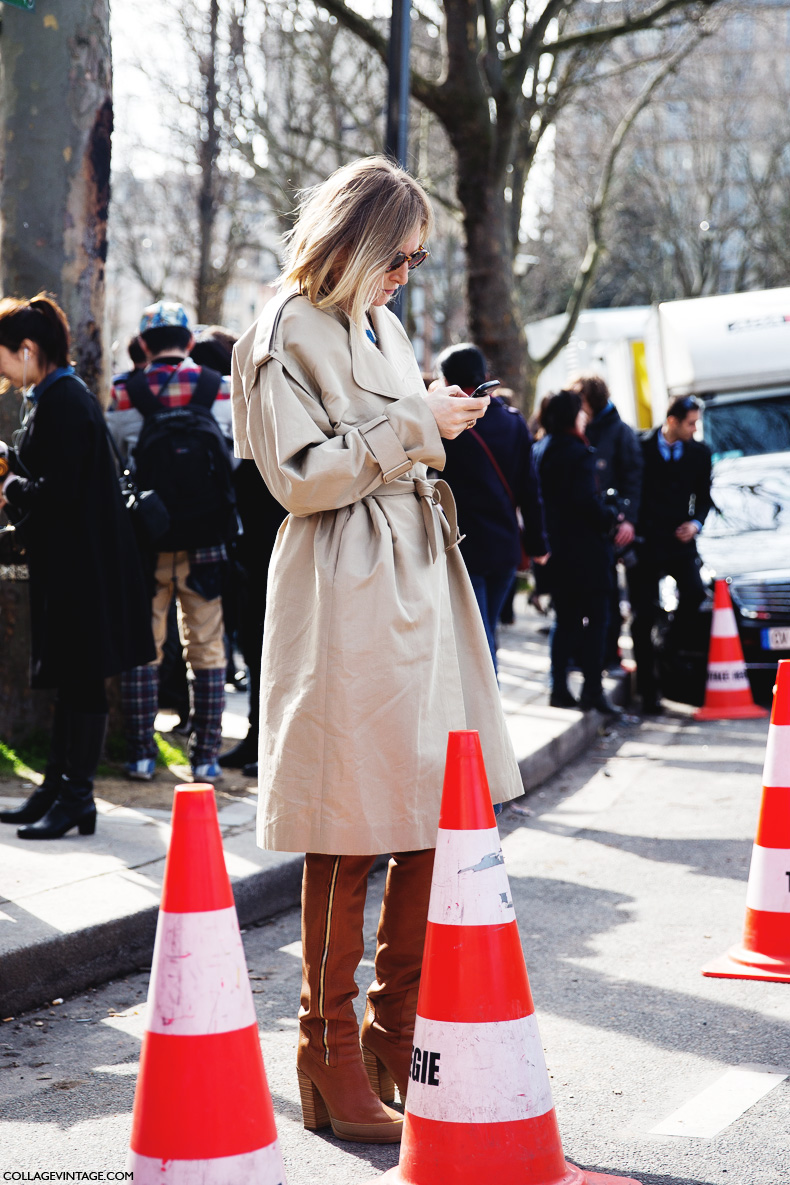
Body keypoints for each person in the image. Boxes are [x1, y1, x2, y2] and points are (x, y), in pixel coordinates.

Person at [231, 156, 523, 1143]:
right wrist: (415, 422)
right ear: (355, 238)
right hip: (347, 582)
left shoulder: (381, 323)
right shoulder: (285, 328)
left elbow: (387, 437)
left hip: (414, 576)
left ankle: (394, 1038)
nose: (410, 272)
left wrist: (432, 415)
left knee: (423, 819)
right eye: (402, 254)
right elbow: (298, 476)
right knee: (347, 823)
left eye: (420, 258)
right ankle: (325, 1050)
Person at [0, 294, 154, 839]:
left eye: (2, 356)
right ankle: (57, 791)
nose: (0, 369)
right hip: (77, 567)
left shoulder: (63, 400)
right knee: (72, 681)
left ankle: (75, 798)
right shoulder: (58, 395)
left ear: (26, 349)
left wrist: (8, 485)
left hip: (82, 571)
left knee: (82, 682)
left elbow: (59, 493)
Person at [107, 301, 236, 782]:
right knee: (207, 647)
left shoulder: (124, 392)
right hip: (207, 537)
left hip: (147, 538)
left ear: (142, 344)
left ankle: (141, 753)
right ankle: (205, 757)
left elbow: (116, 454)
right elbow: (234, 459)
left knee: (145, 647)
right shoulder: (217, 387)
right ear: (187, 341)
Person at [191, 326, 287, 776]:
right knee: (254, 646)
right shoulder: (247, 421)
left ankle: (269, 746)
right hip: (253, 553)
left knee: (272, 648)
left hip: (277, 553)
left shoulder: (268, 419)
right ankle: (257, 739)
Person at [433, 344, 548, 671]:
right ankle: (486, 715)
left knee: (477, 644)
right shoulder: (513, 422)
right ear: (484, 377)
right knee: (485, 635)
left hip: (464, 548)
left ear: (447, 382)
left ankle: (486, 718)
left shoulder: (448, 426)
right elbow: (530, 490)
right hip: (505, 548)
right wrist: (538, 545)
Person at [533, 389, 621, 713]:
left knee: (565, 620)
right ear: (573, 416)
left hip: (556, 553)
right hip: (586, 553)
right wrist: (610, 514)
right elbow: (586, 503)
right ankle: (592, 690)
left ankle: (558, 688)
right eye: (582, 411)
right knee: (596, 619)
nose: (586, 416)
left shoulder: (540, 449)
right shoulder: (578, 452)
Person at [629, 394, 712, 714]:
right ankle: (650, 694)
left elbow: (704, 497)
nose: (695, 428)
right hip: (646, 543)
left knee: (694, 593)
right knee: (643, 617)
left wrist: (695, 523)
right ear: (673, 421)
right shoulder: (640, 446)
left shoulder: (699, 453)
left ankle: (670, 640)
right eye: (691, 423)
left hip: (680, 543)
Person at [570, 375, 642, 668]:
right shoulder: (582, 430)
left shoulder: (619, 432)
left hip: (609, 525)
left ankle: (608, 654)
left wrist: (628, 520)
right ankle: (587, 654)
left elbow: (634, 479)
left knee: (607, 594)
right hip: (587, 524)